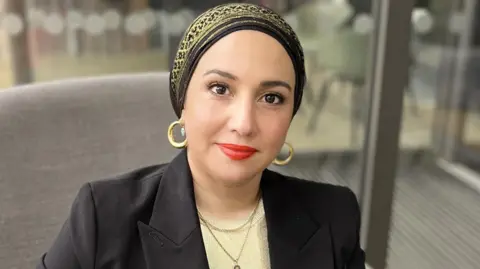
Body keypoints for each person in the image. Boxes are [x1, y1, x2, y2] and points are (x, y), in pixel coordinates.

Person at [36, 3, 365, 269]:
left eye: (271, 98)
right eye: (220, 89)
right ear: (183, 103)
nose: (244, 123)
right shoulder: (103, 218)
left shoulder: (334, 214)